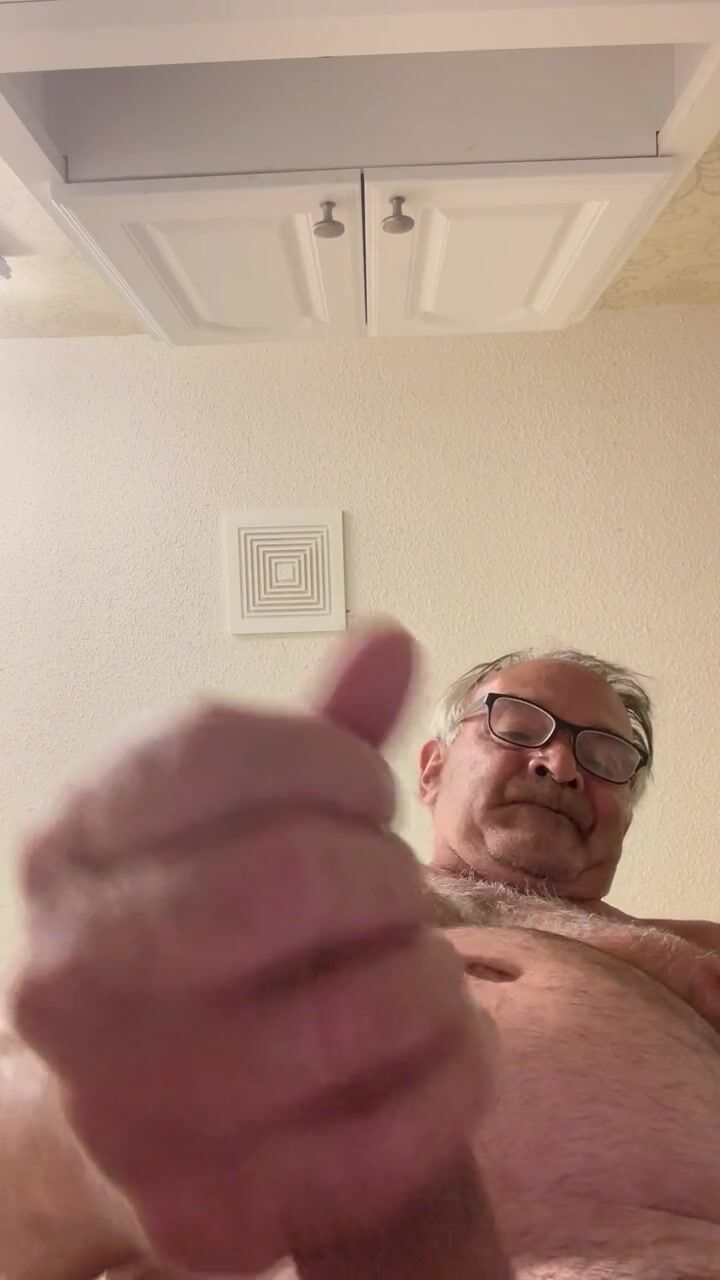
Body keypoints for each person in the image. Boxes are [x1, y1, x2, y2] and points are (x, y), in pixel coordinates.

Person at [2, 624, 719, 1280]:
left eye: (606, 757)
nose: (560, 764)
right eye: (519, 726)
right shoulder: (260, 907)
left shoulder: (696, 952)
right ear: (432, 769)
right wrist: (87, 1150)